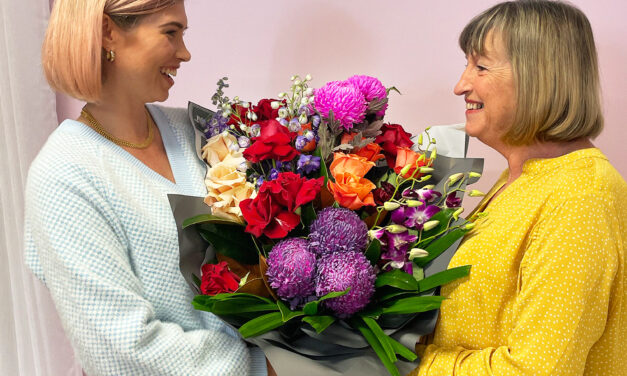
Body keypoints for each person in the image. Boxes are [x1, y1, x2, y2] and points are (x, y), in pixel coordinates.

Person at [24, 1, 274, 375]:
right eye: (170, 33)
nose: (185, 54)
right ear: (108, 31)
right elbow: (121, 350)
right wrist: (262, 365)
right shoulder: (65, 175)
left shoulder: (196, 133)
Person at [410, 1, 627, 375]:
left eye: (480, 66)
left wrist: (403, 364)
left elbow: (534, 370)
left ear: (539, 76)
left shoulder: (579, 199)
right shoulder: (525, 176)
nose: (461, 85)